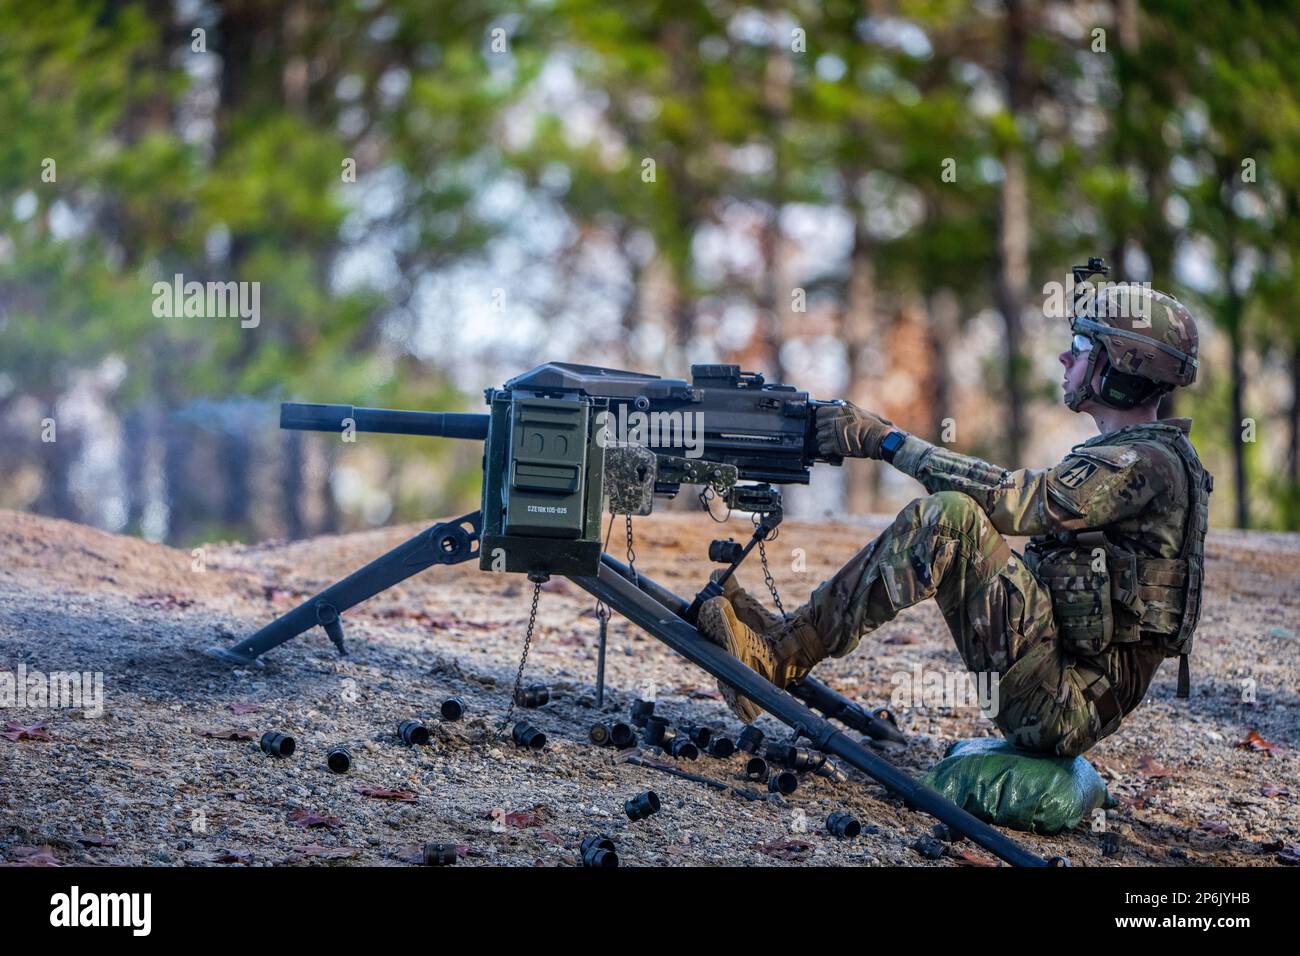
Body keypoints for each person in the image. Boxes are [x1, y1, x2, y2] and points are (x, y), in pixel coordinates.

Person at [698, 282, 1212, 757]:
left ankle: (777, 658)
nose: (1064, 355)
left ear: (1120, 368)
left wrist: (887, 441)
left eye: (1081, 344)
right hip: (1061, 683)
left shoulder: (1145, 463)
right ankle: (790, 638)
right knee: (956, 517)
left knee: (949, 520)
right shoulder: (1139, 454)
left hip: (1061, 707)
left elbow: (1018, 501)